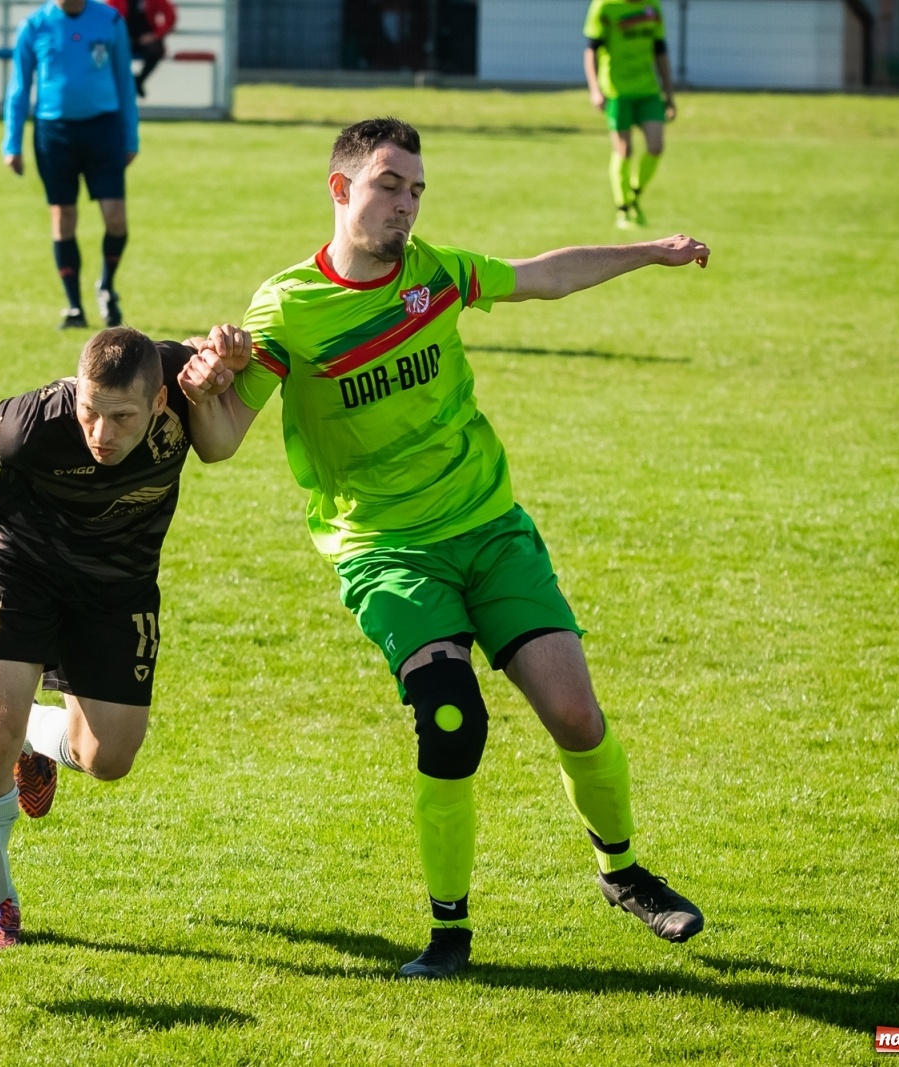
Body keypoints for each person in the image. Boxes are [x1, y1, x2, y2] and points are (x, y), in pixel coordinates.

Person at [188, 118, 710, 979]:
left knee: (576, 716)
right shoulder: (287, 307)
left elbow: (540, 277)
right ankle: (450, 934)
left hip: (490, 525)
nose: (407, 205)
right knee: (451, 719)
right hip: (387, 551)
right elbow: (219, 442)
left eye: (417, 190)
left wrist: (647, 251)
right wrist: (209, 386)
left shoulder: (434, 273)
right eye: (391, 185)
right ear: (341, 188)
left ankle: (622, 875)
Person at [0, 324, 248, 949]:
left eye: (120, 418)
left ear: (158, 403)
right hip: (20, 567)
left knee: (108, 759)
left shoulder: (181, 379)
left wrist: (232, 355)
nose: (100, 434)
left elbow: (234, 382)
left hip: (118, 589)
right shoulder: (34, 422)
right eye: (90, 412)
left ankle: (32, 740)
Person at [2, 0, 139, 331]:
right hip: (54, 133)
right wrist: (12, 142)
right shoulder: (34, 26)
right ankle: (74, 307)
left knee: (116, 219)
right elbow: (19, 87)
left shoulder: (109, 21)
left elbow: (125, 82)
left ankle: (106, 285)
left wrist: (131, 136)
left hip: (103, 130)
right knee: (63, 219)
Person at [583, 0, 675, 227]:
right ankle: (623, 209)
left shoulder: (653, 7)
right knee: (624, 150)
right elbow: (591, 50)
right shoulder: (604, 6)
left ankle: (634, 193)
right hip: (617, 91)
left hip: (648, 90)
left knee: (656, 146)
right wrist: (595, 90)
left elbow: (660, 51)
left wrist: (669, 93)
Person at [105, 0, 176, 97]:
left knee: (155, 52)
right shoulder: (115, 1)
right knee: (114, 53)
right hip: (125, 36)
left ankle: (138, 80)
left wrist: (155, 35)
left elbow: (170, 16)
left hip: (147, 36)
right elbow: (108, 18)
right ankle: (129, 83)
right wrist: (120, 37)